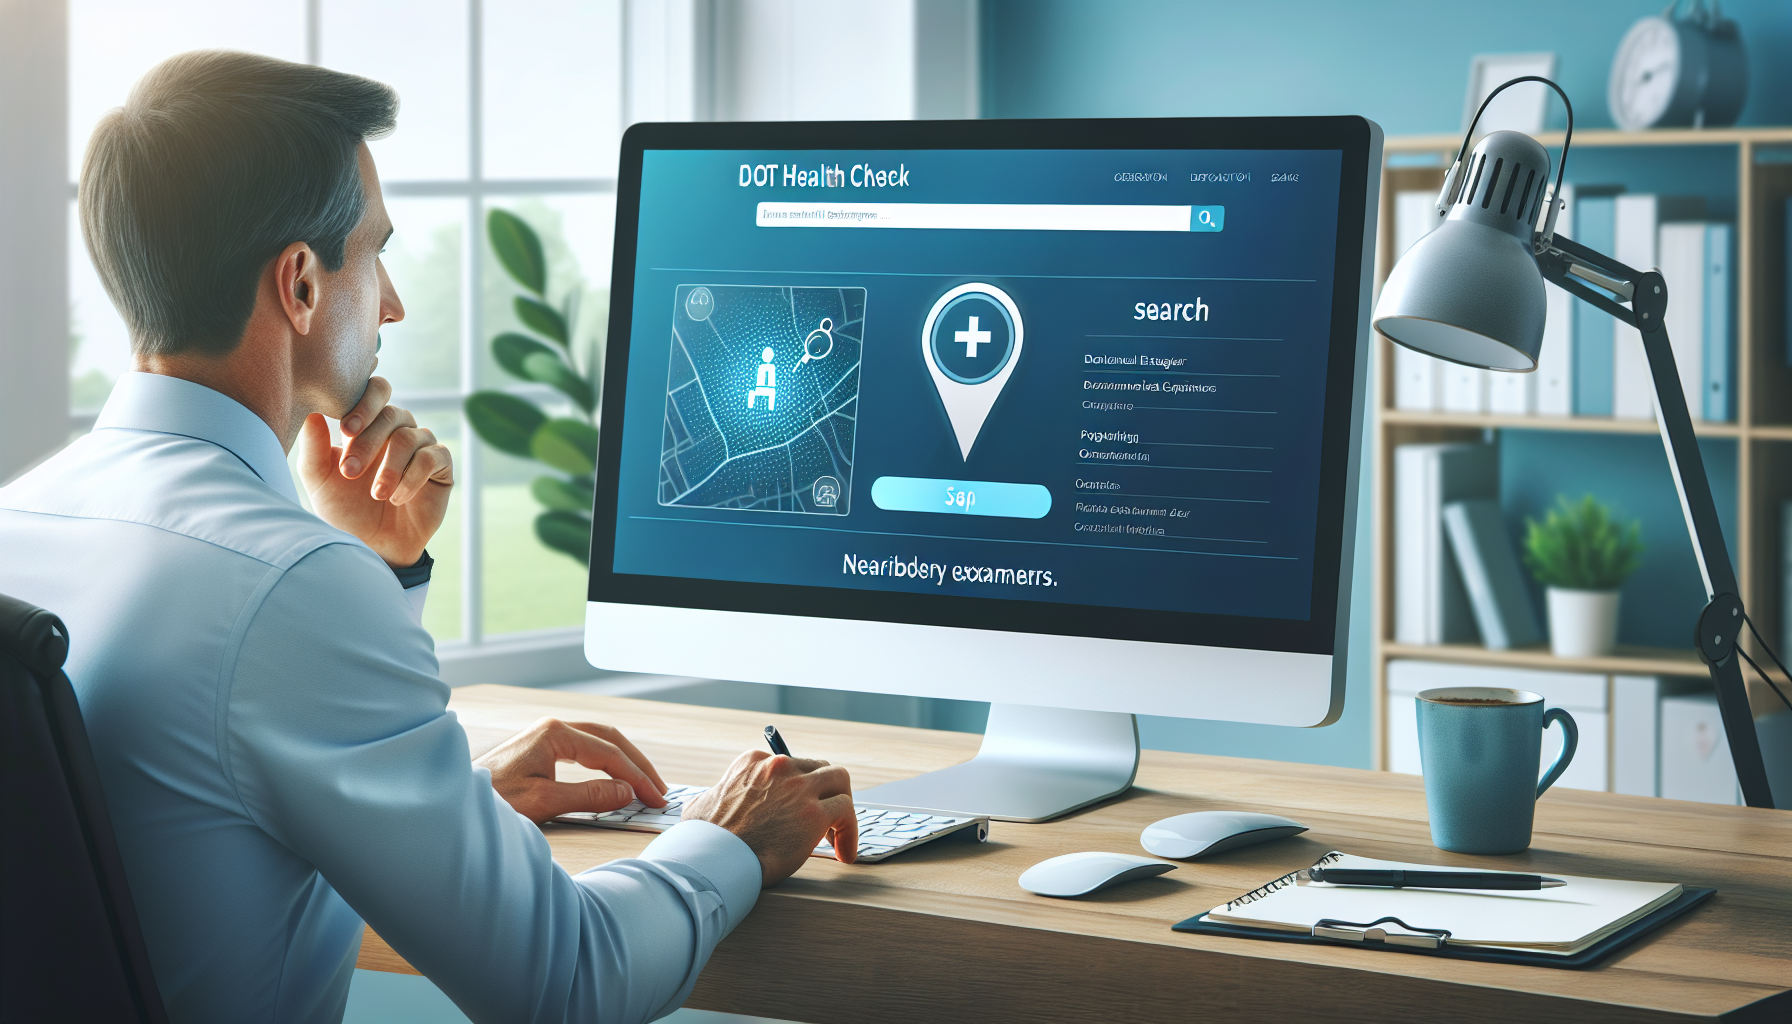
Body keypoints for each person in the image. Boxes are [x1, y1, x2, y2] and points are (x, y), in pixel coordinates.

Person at [0, 50, 857, 1024]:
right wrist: (730, 837)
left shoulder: (19, 517)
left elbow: (182, 816)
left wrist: (451, 765)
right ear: (302, 286)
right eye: (375, 251)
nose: (395, 301)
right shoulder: (287, 587)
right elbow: (570, 981)